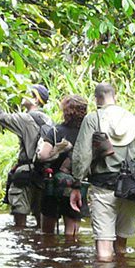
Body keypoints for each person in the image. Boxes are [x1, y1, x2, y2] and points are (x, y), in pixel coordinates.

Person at [69, 83, 135, 261]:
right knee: (121, 248)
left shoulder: (92, 119)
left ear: (97, 99)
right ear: (116, 96)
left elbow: (81, 156)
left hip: (102, 189)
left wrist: (76, 184)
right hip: (129, 190)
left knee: (104, 249)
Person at [34, 95, 88, 240]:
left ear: (65, 111)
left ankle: (49, 256)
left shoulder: (56, 131)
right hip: (77, 184)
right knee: (72, 233)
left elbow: (43, 155)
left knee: (47, 231)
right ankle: (71, 257)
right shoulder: (88, 133)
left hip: (53, 184)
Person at [0, 96, 45, 228]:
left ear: (36, 100)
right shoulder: (47, 119)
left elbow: (1, 117)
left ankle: (21, 246)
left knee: (19, 224)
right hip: (43, 173)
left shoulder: (25, 118)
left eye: (29, 93)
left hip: (25, 173)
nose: (24, 95)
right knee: (41, 221)